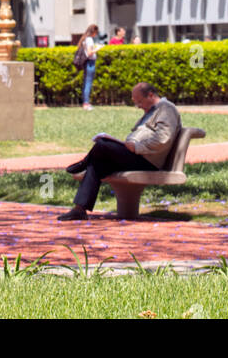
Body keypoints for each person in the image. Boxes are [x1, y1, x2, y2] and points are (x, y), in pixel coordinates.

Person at [58, 82, 181, 220]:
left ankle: (83, 163)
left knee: (102, 144)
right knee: (97, 164)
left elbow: (163, 139)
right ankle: (79, 209)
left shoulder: (166, 109)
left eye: (139, 101)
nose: (138, 106)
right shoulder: (151, 110)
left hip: (147, 160)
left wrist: (136, 147)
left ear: (151, 95)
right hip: (136, 155)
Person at [80, 23, 99, 110]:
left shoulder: (84, 39)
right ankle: (86, 103)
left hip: (87, 62)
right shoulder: (89, 40)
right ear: (93, 32)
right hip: (90, 62)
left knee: (86, 82)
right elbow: (90, 52)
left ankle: (85, 102)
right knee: (88, 83)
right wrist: (98, 48)